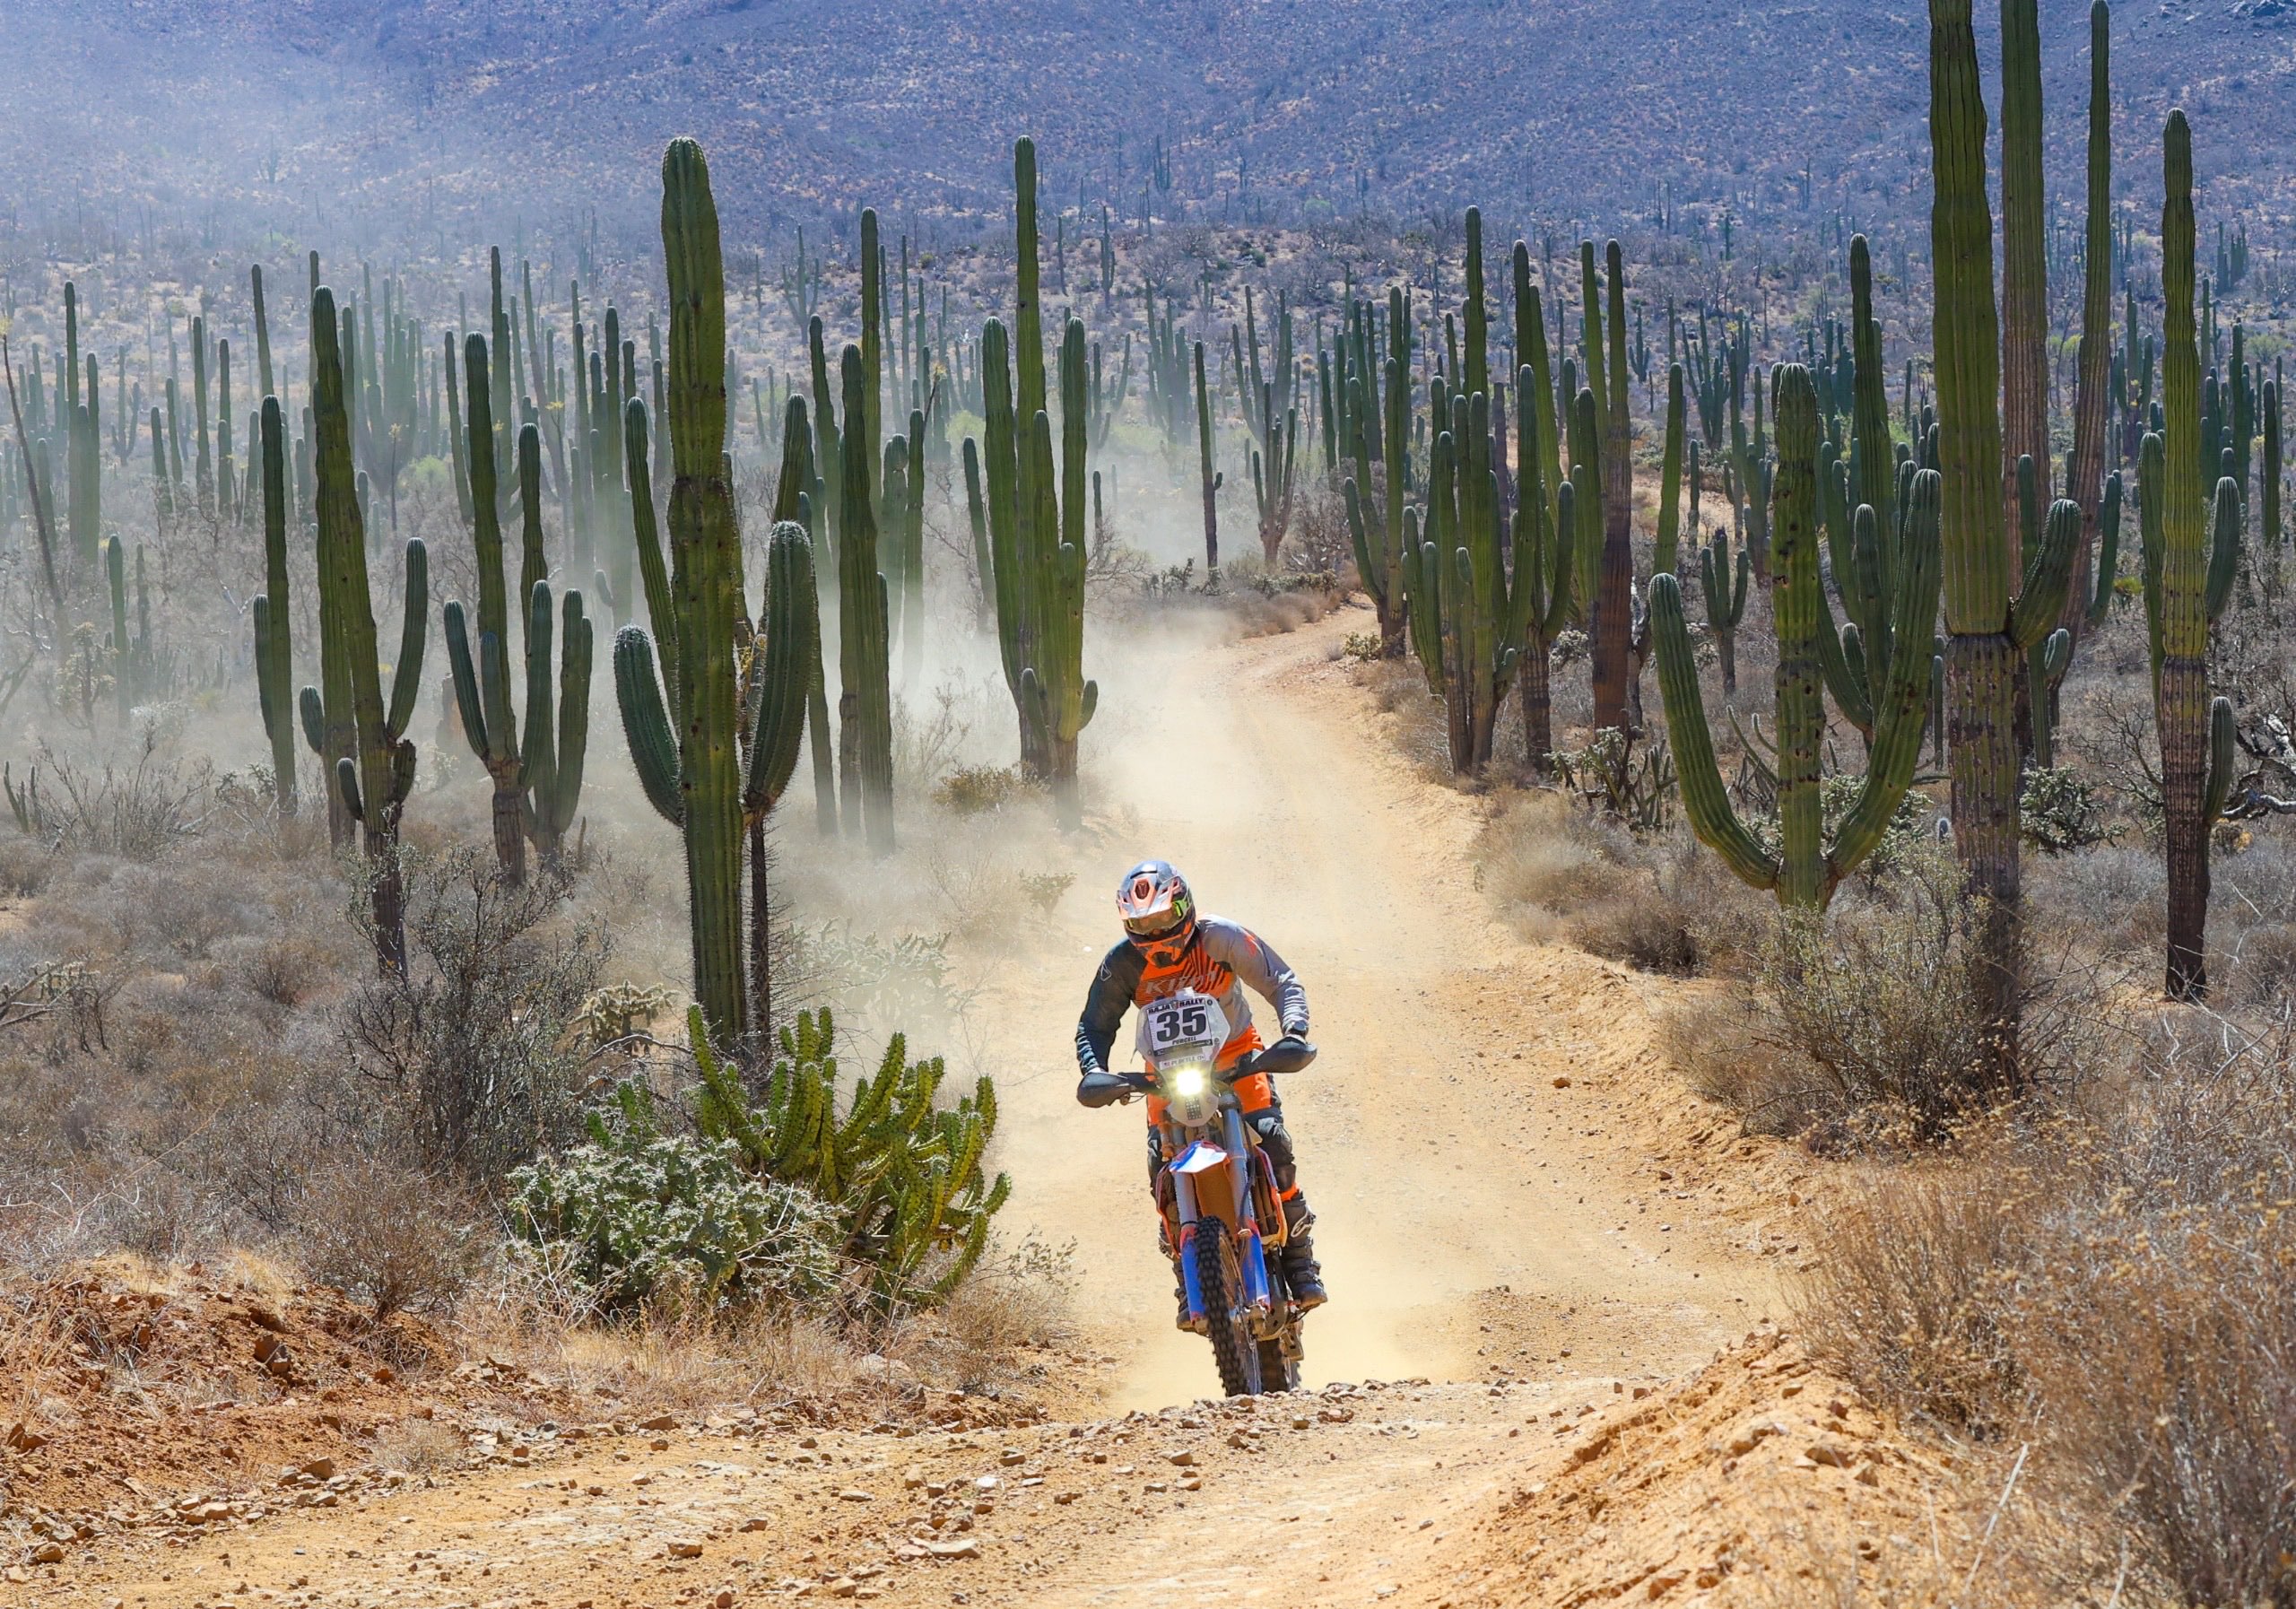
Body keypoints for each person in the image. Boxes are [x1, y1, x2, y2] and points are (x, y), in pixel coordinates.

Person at [1073, 859, 1326, 1326]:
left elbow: (1281, 980)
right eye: (1140, 924)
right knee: (1159, 1168)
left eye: (1162, 919)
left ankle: (1299, 1258)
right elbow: (1095, 1023)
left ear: (1184, 906)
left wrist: (1294, 1030)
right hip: (1166, 1077)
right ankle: (1185, 1272)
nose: (1153, 933)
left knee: (1273, 1141)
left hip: (1237, 1059)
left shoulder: (1221, 938)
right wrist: (1094, 1070)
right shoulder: (1122, 964)